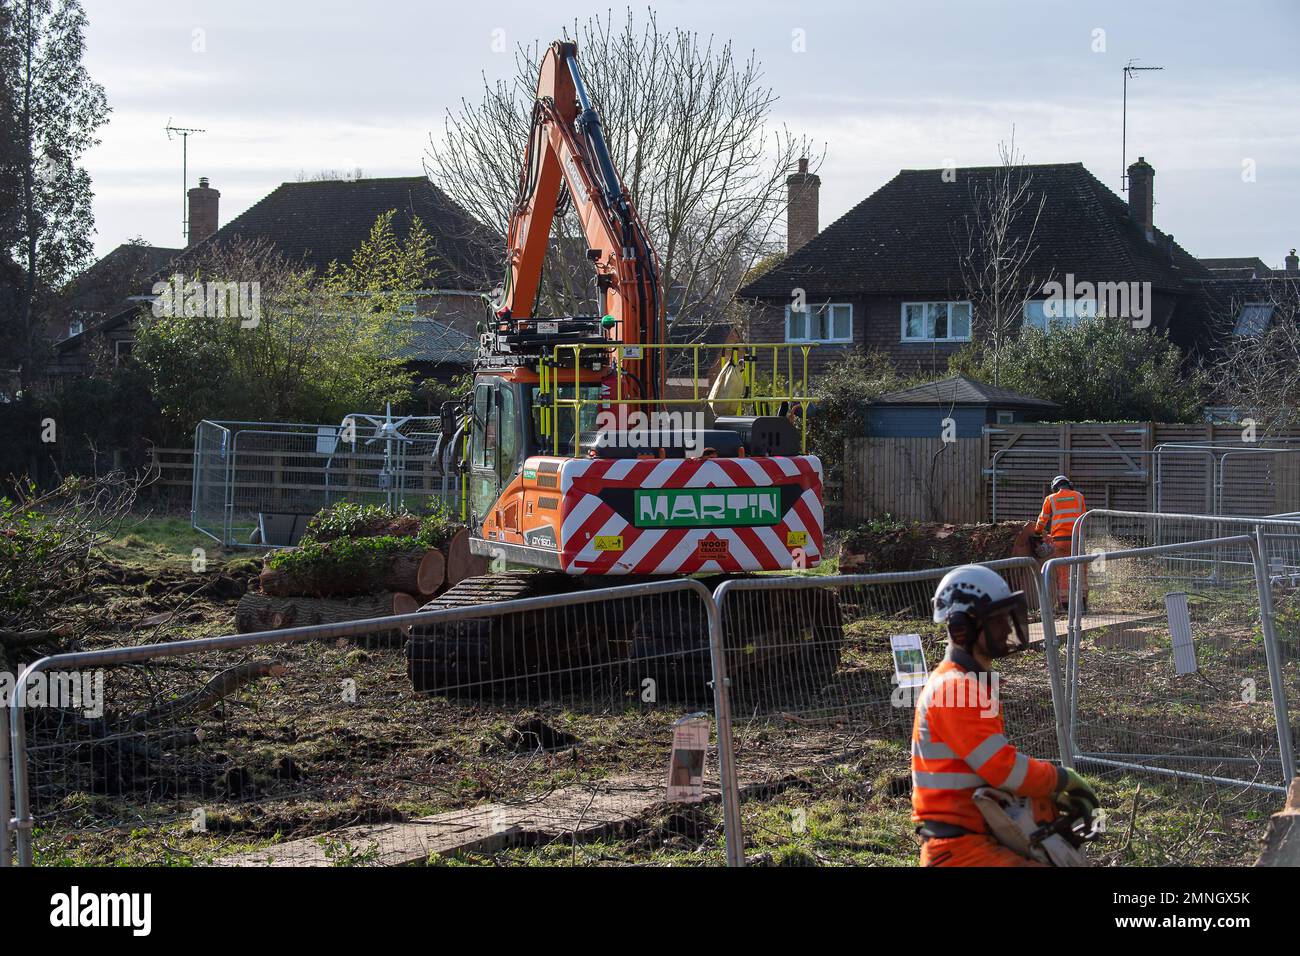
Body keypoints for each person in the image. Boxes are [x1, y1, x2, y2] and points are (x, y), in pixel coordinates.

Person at [911, 564, 1099, 866]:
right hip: (961, 852)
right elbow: (1003, 770)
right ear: (964, 627)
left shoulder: (966, 683)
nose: (1006, 627)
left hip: (976, 841)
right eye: (996, 620)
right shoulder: (955, 688)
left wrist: (1046, 802)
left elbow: (995, 774)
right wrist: (1063, 780)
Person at [1034, 475, 1087, 610]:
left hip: (1060, 541)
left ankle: (1066, 606)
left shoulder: (1050, 499)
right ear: (1069, 485)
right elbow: (1083, 518)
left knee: (1062, 573)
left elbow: (1042, 520)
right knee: (1081, 570)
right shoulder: (1079, 496)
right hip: (1077, 539)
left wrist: (1037, 532)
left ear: (1054, 487)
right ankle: (1083, 604)